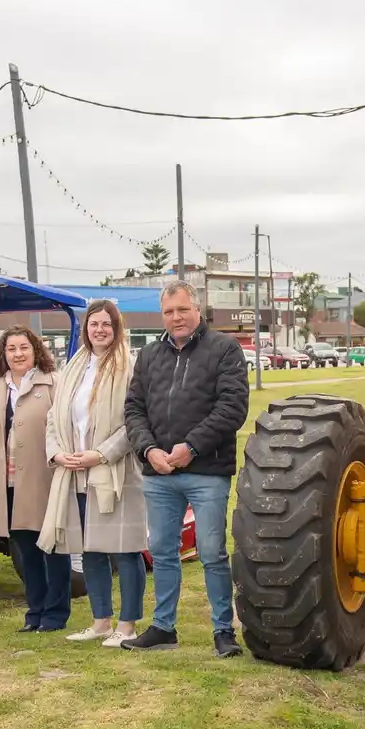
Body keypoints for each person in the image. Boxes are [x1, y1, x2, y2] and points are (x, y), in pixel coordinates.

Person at [122, 281, 250, 656]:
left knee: (211, 551)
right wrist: (148, 450)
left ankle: (223, 632)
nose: (175, 318)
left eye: (182, 310)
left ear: (198, 309)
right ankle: (164, 628)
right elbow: (133, 410)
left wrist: (191, 447)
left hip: (206, 471)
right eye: (168, 312)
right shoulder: (148, 356)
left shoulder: (225, 350)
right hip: (159, 473)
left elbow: (232, 408)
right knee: (161, 551)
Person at [39, 300, 150, 648]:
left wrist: (100, 454)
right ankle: (101, 620)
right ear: (85, 328)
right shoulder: (74, 367)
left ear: (117, 329)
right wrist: (57, 453)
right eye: (93, 324)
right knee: (90, 549)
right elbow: (54, 418)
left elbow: (135, 421)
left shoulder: (130, 367)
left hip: (115, 471)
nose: (99, 329)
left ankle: (127, 625)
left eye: (106, 324)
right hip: (74, 472)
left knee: (125, 549)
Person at [0, 326, 73, 632]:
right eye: (11, 349)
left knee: (53, 548)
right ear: (3, 355)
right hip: (8, 484)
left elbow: (65, 429)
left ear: (35, 351)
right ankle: (35, 612)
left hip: (44, 479)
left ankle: (56, 614)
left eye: (24, 348)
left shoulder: (53, 384)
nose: (18, 354)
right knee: (26, 552)